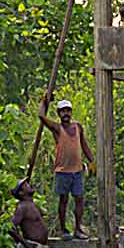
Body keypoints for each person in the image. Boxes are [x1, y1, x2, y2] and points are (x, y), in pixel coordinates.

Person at [39, 98, 95, 240]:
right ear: (58, 113)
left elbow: (84, 145)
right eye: (63, 111)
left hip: (77, 171)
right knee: (63, 200)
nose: (66, 113)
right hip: (62, 171)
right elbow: (41, 117)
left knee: (79, 199)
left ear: (71, 112)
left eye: (68, 111)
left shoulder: (78, 127)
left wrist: (92, 161)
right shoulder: (57, 128)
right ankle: (64, 230)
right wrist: (43, 102)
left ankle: (77, 229)